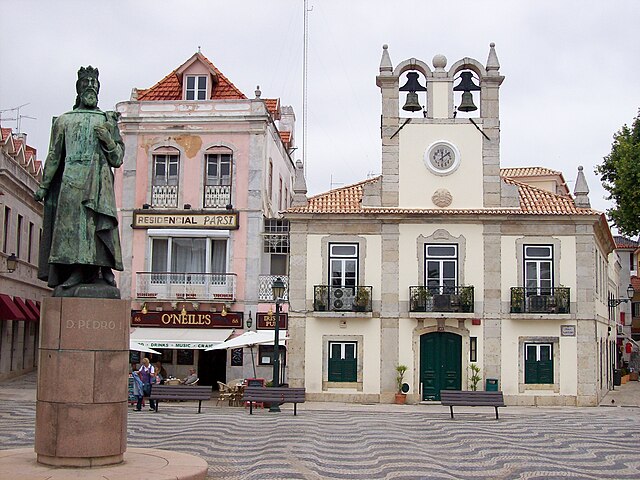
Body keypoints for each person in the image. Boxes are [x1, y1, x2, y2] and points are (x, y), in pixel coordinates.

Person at [35, 65, 124, 292]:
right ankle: (74, 271)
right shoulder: (64, 121)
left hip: (99, 181)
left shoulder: (107, 120)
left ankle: (103, 270)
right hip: (70, 180)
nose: (91, 87)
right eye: (86, 84)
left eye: (95, 84)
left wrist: (108, 140)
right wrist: (44, 186)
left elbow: (117, 159)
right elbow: (54, 156)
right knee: (72, 229)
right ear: (78, 88)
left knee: (97, 227)